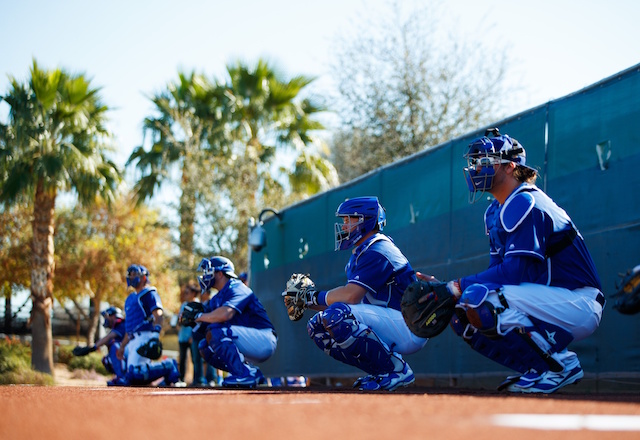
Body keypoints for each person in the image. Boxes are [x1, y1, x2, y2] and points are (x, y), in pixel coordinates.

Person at [431, 128, 604, 393]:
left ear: (511, 167)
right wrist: (455, 291)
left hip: (577, 302)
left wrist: (454, 286)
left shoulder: (526, 201)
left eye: (485, 161)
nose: (476, 167)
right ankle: (538, 368)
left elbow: (515, 273)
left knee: (483, 298)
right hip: (546, 298)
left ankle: (560, 366)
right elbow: (497, 272)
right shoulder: (495, 210)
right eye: (475, 162)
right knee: (464, 309)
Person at [300, 196, 427, 391]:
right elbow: (349, 301)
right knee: (317, 326)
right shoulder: (363, 251)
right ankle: (381, 371)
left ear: (364, 221)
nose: (343, 226)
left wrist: (311, 296)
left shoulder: (378, 248)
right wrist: (306, 301)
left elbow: (350, 297)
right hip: (394, 318)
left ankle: (396, 370)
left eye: (348, 220)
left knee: (337, 316)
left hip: (409, 324)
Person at [192, 256, 277, 388]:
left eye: (209, 272)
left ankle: (243, 374)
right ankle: (250, 372)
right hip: (245, 339)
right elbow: (205, 326)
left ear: (220, 274)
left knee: (216, 332)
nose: (205, 276)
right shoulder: (216, 298)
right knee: (204, 346)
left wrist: (200, 315)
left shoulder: (237, 287)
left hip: (264, 338)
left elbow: (225, 314)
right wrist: (192, 319)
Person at [116, 264, 184, 387]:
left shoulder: (149, 293)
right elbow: (130, 327)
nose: (131, 277)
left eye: (134, 275)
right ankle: (163, 374)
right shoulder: (131, 298)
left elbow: (158, 315)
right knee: (129, 377)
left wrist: (155, 335)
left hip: (146, 336)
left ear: (143, 277)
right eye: (130, 275)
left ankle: (169, 365)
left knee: (134, 374)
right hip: (132, 340)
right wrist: (122, 346)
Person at [72, 306, 127, 386]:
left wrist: (91, 348)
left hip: (132, 355)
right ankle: (121, 376)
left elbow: (108, 338)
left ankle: (121, 377)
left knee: (114, 345)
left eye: (108, 316)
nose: (106, 319)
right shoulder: (118, 325)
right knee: (106, 360)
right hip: (128, 355)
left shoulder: (121, 324)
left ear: (114, 316)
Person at [177, 283, 201, 385]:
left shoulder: (198, 305)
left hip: (193, 337)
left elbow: (199, 323)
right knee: (182, 359)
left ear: (193, 293)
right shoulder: (184, 305)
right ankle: (181, 379)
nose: (186, 295)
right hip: (182, 336)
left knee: (195, 358)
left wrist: (192, 336)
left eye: (187, 292)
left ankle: (197, 379)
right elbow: (180, 319)